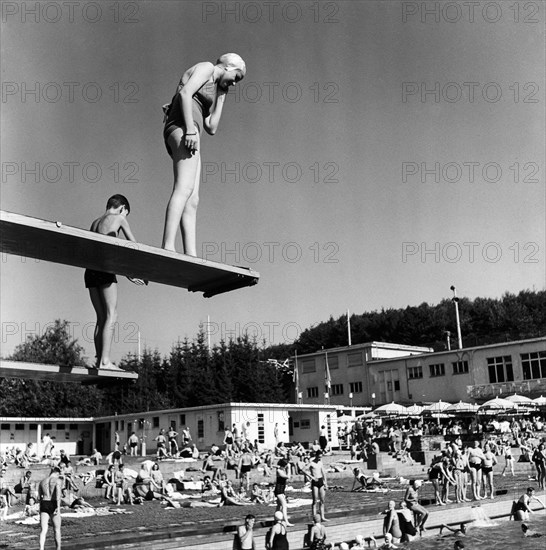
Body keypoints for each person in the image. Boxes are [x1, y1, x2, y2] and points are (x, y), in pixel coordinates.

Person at [161, 53, 246, 254]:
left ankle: (191, 254)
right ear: (228, 67)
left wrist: (222, 97)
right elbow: (185, 94)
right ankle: (167, 246)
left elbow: (211, 127)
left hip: (193, 131)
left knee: (193, 198)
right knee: (183, 187)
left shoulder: (214, 88)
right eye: (236, 77)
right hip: (183, 127)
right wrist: (190, 129)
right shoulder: (207, 68)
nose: (235, 83)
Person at [85, 195, 145, 369]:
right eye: (126, 214)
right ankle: (105, 361)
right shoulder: (118, 218)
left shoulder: (95, 222)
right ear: (122, 208)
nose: (125, 218)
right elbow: (134, 246)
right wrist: (133, 272)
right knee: (112, 314)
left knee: (101, 317)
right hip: (104, 269)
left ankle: (98, 360)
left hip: (90, 270)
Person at [38, 466, 62, 550]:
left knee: (43, 529)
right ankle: (58, 549)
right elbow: (58, 494)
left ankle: (41, 548)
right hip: (53, 502)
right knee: (57, 529)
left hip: (44, 502)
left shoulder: (42, 481)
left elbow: (39, 497)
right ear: (57, 473)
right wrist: (58, 507)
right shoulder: (58, 481)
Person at [309, 450, 328, 521]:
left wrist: (326, 483)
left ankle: (322, 517)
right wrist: (311, 477)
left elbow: (324, 473)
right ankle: (314, 518)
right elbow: (303, 470)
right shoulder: (311, 463)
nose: (320, 458)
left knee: (322, 500)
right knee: (315, 501)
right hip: (315, 481)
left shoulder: (320, 463)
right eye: (319, 457)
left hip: (320, 481)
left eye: (321, 457)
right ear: (316, 456)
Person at [274, 458, 293, 526]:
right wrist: (289, 468)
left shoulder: (282, 469)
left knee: (279, 505)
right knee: (284, 505)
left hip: (281, 490)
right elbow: (288, 477)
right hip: (279, 490)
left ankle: (275, 520)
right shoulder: (279, 471)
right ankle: (286, 521)